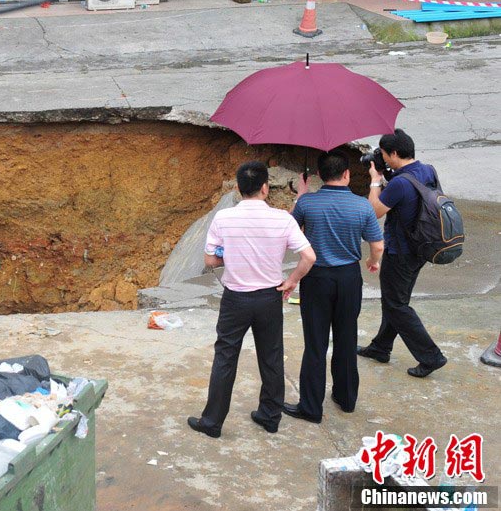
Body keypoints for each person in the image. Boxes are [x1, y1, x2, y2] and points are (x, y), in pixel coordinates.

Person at [188, 162, 316, 438]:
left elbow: (210, 260)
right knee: (271, 357)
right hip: (270, 296)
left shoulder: (224, 218)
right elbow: (309, 257)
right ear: (265, 188)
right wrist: (292, 281)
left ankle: (212, 422)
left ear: (237, 188)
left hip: (235, 298)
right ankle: (270, 416)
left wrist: (231, 255)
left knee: (225, 357)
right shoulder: (283, 219)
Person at [282, 150, 383, 424]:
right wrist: (373, 262)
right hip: (349, 278)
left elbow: (288, 230)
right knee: (346, 338)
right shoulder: (362, 206)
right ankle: (346, 398)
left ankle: (311, 407)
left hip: (316, 279)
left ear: (319, 177)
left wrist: (302, 194)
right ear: (347, 174)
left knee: (315, 344)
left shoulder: (309, 204)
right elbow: (377, 245)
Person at [360, 129, 448, 378]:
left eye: (385, 154)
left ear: (395, 153)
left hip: (401, 251)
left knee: (396, 305)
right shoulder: (427, 170)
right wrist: (388, 173)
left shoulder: (398, 183)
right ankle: (381, 347)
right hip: (421, 247)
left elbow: (373, 212)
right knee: (396, 301)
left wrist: (376, 180)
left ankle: (431, 356)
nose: (383, 158)